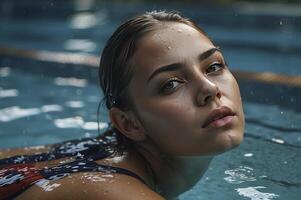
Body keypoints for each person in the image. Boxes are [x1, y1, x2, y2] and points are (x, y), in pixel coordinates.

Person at [0, 10, 244, 200]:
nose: (210, 90)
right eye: (170, 84)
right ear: (128, 124)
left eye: (214, 67)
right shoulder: (109, 189)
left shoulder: (104, 158)